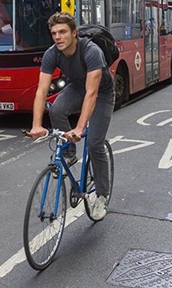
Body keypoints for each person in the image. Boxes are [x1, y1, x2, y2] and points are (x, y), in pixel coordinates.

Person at [28, 12, 114, 218]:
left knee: (94, 144)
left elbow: (92, 93)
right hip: (77, 87)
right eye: (54, 33)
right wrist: (36, 125)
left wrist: (79, 128)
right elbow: (41, 90)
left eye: (63, 32)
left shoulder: (91, 51)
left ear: (74, 33)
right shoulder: (52, 53)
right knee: (56, 109)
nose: (58, 37)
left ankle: (102, 196)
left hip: (101, 93)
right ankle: (69, 153)